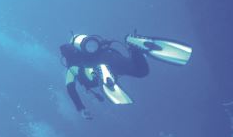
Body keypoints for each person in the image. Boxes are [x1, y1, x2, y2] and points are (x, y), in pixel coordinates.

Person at [60, 33, 192, 119]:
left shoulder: (71, 69)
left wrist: (81, 108)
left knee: (97, 76)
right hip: (108, 57)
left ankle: (104, 74)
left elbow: (71, 88)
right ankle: (133, 47)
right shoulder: (78, 62)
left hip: (100, 66)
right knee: (141, 72)